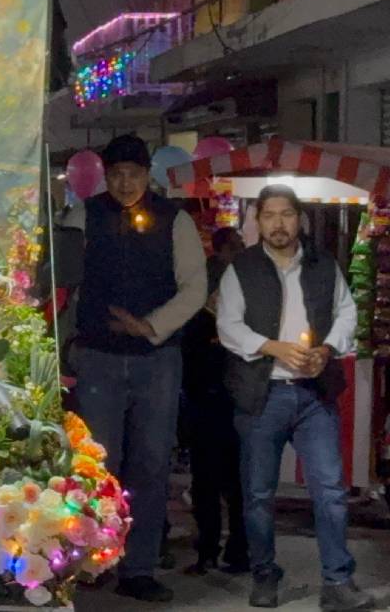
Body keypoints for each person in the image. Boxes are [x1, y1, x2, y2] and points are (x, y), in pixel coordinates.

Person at [63, 135, 207, 603]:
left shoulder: (175, 220)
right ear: (105, 175)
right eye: (117, 174)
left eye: (135, 174)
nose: (126, 183)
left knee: (150, 464)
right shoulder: (83, 216)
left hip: (157, 361)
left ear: (149, 175)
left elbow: (194, 289)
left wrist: (150, 326)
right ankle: (92, 560)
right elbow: (63, 281)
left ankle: (139, 567)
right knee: (98, 465)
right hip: (98, 358)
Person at [216, 185, 373, 611]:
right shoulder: (242, 268)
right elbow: (228, 326)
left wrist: (327, 350)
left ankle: (337, 581)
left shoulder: (324, 264)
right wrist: (274, 347)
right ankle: (265, 573)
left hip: (313, 394)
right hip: (261, 393)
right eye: (269, 215)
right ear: (257, 221)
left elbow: (346, 312)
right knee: (259, 494)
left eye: (286, 214)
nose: (279, 223)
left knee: (330, 490)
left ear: (299, 218)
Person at [182, 226, 248, 577]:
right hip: (208, 404)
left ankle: (233, 550)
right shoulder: (201, 314)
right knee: (209, 482)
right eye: (235, 245)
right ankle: (210, 550)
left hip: (232, 404)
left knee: (233, 483)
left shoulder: (245, 288)